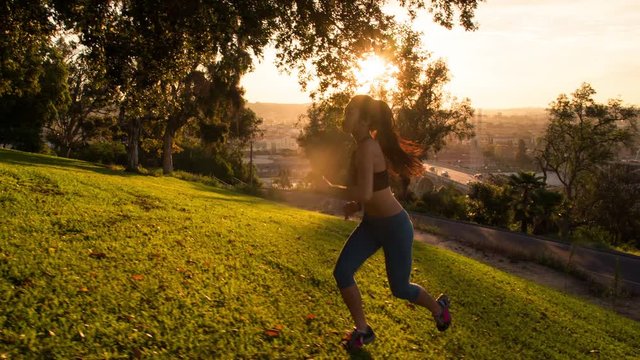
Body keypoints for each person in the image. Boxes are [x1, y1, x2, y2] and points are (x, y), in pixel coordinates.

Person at [323, 95, 451, 351]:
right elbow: (374, 189)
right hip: (372, 225)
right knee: (342, 272)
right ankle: (363, 330)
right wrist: (357, 205)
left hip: (395, 226)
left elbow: (367, 192)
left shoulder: (368, 148)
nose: (345, 115)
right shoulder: (363, 147)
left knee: (400, 289)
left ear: (365, 120)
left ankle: (439, 310)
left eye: (351, 112)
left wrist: (329, 189)